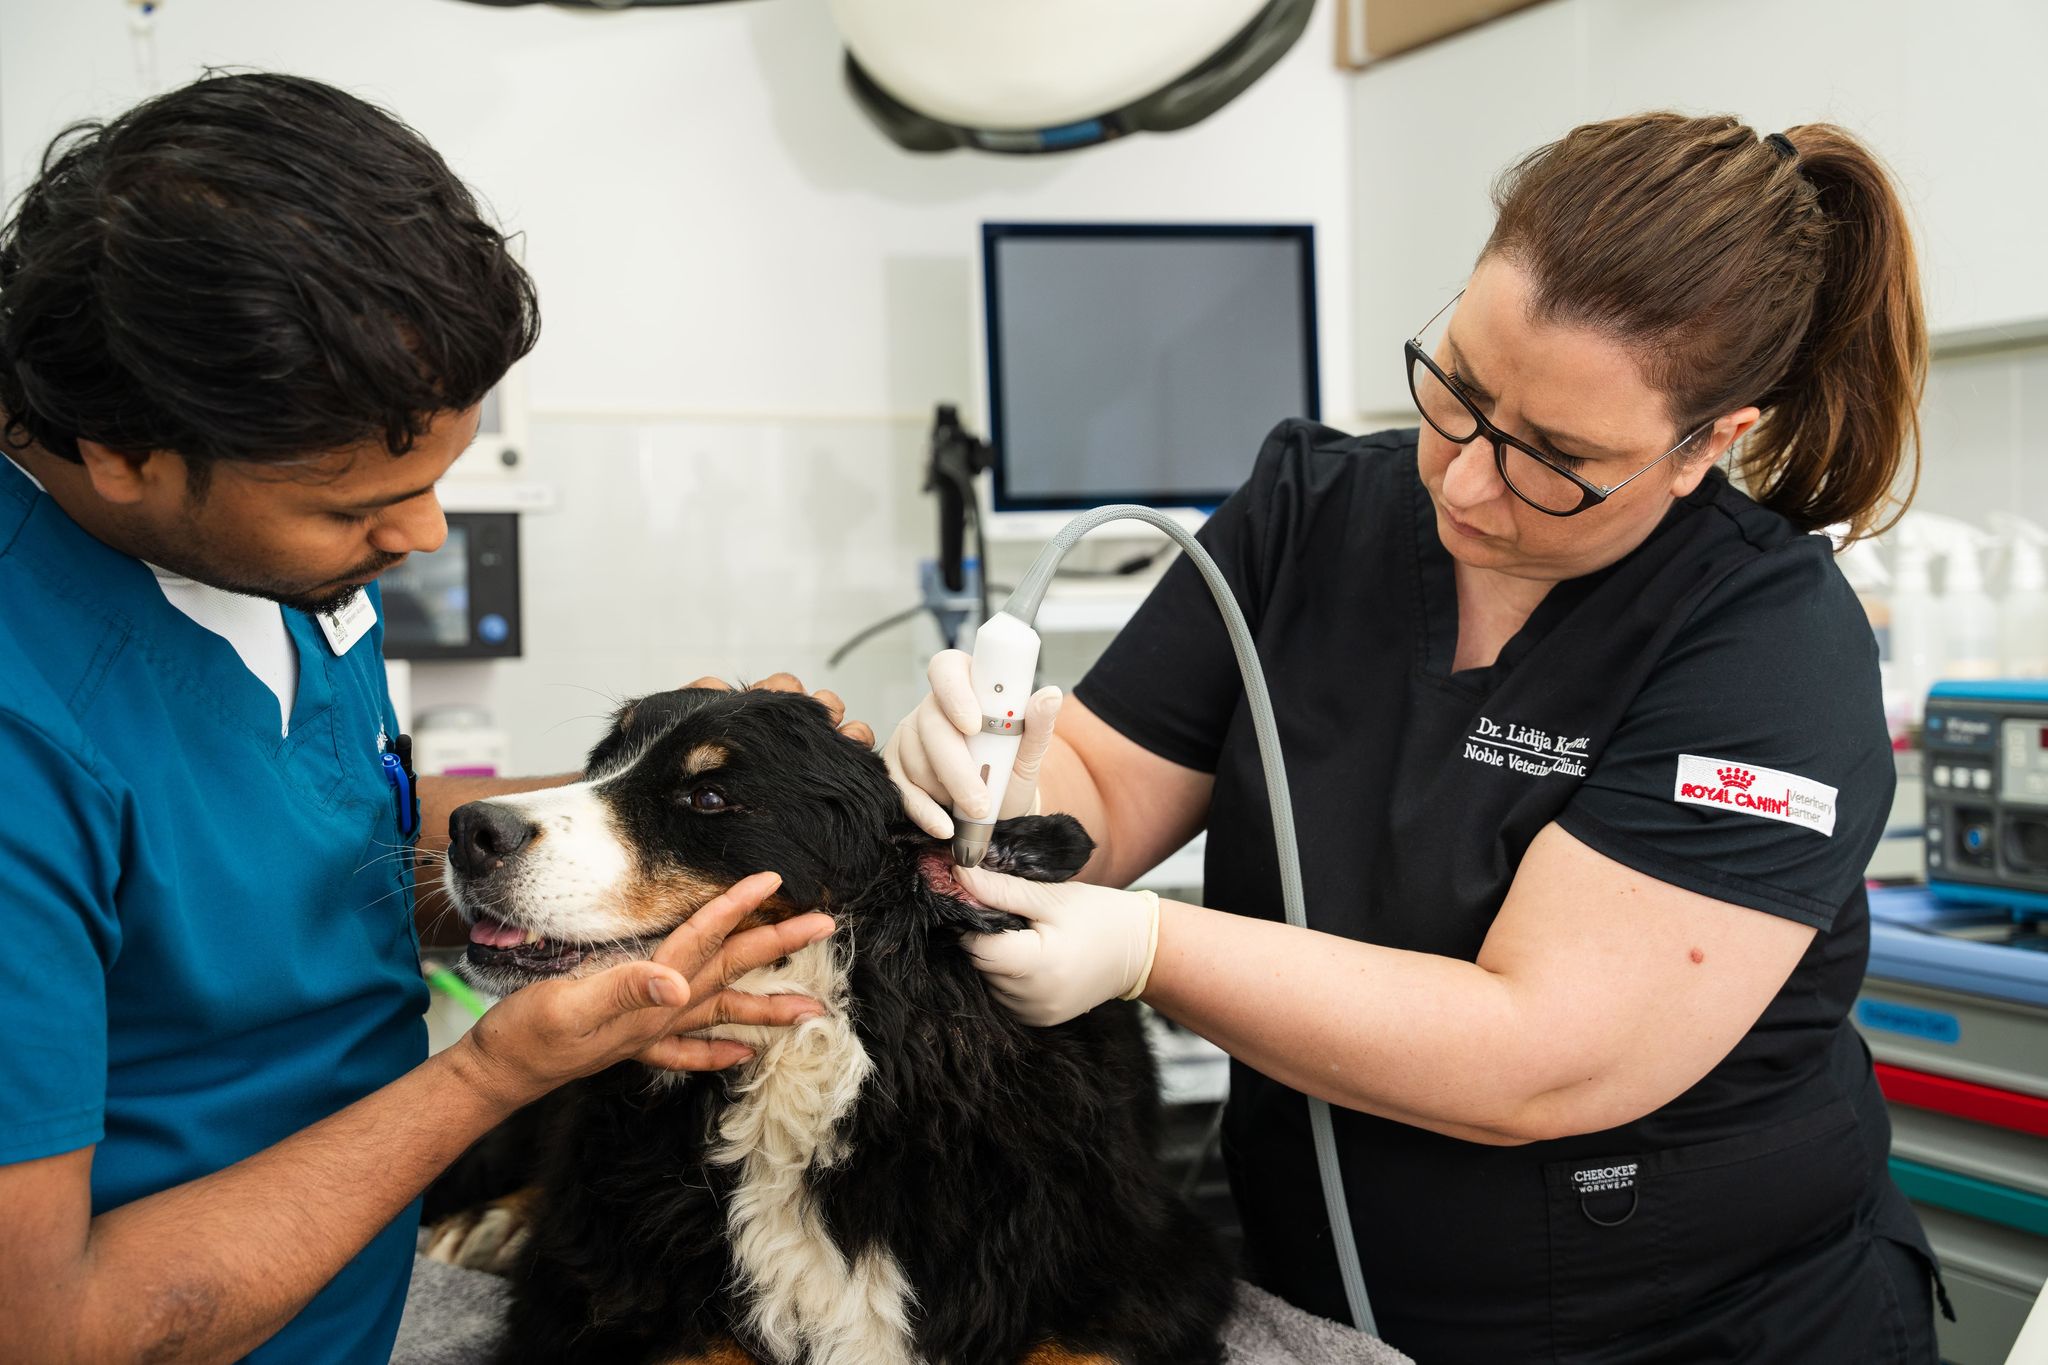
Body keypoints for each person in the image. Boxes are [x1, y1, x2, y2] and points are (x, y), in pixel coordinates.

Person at [887, 113, 1945, 1362]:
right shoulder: (1308, 513)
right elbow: (1103, 790)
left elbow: (1535, 1055)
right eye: (1458, 388)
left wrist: (1150, 948)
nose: (1463, 483)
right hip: (1313, 1307)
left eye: (1555, 460)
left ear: (1712, 440)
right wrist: (993, 779)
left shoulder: (1768, 648)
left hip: (1694, 1330)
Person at [0, 73, 860, 1364]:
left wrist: (632, 809)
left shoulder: (256, 557)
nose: (421, 536)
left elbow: (300, 845)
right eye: (357, 509)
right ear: (124, 449)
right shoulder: (29, 735)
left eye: (435, 478)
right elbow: (49, 1330)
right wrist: (496, 1073)